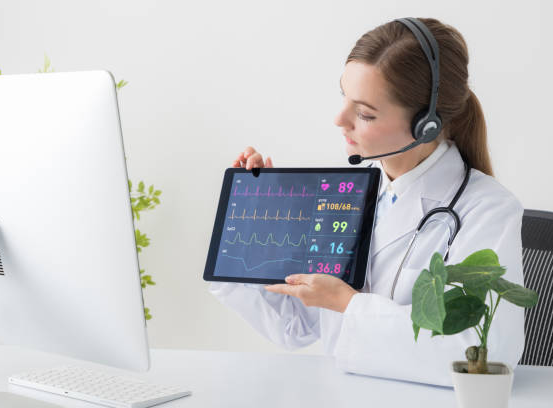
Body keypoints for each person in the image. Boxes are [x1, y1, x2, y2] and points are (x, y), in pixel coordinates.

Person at [208, 17, 524, 387]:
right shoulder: (348, 197)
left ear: (426, 125)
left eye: (364, 113)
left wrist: (350, 304)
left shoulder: (487, 210)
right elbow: (294, 327)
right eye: (344, 97)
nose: (339, 119)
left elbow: (479, 356)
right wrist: (254, 224)